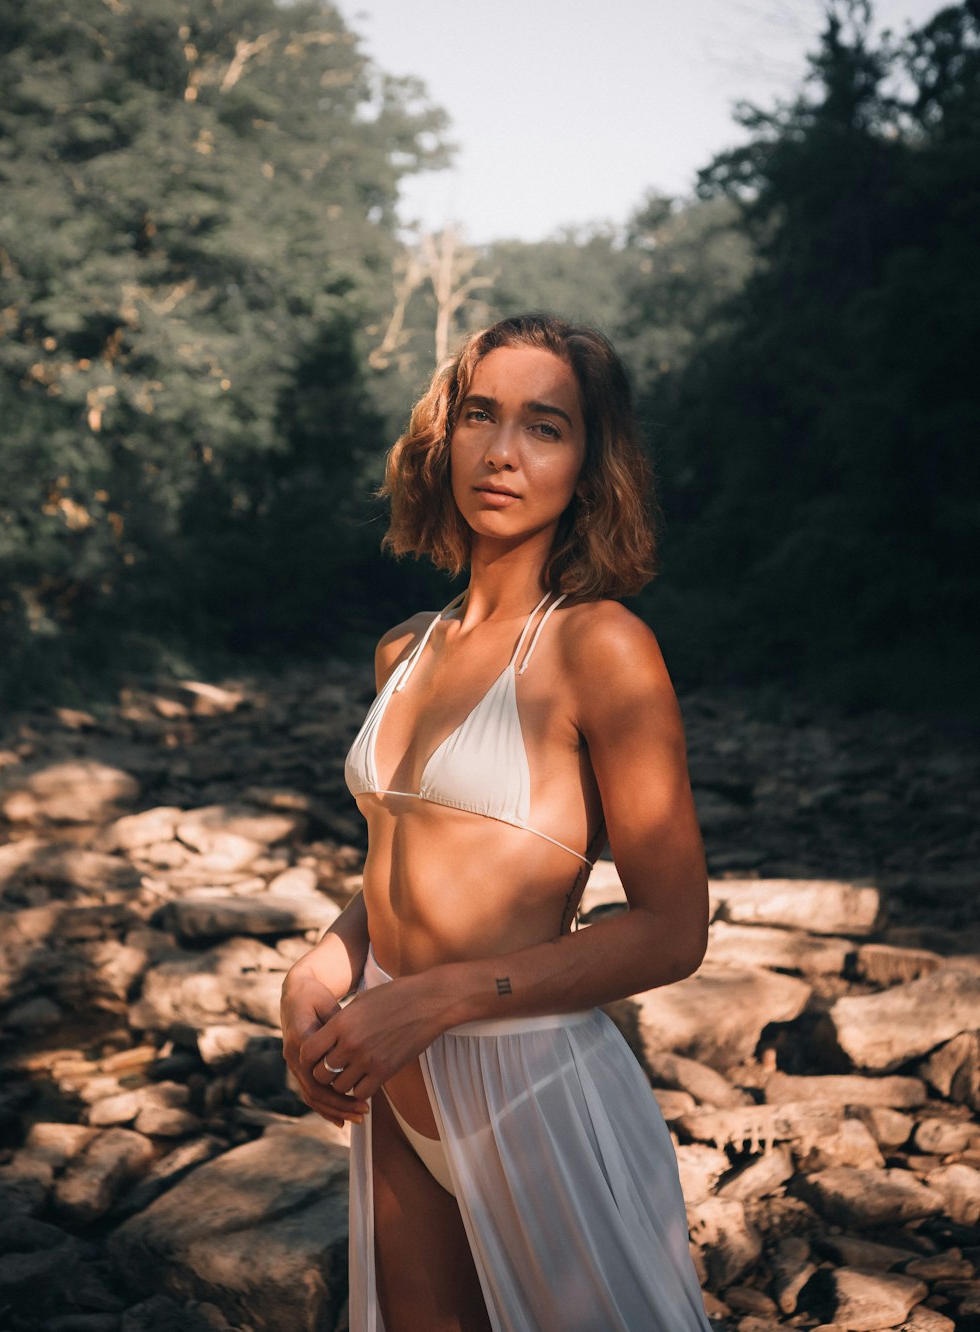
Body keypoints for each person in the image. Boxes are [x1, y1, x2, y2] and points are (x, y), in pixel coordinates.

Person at [281, 314, 712, 1332]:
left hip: (529, 1091)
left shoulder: (599, 648)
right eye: (481, 415)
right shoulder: (405, 651)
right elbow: (409, 853)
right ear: (445, 438)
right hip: (393, 1073)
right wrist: (327, 964)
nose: (504, 451)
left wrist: (438, 998)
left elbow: (671, 928)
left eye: (545, 426)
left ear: (589, 464)